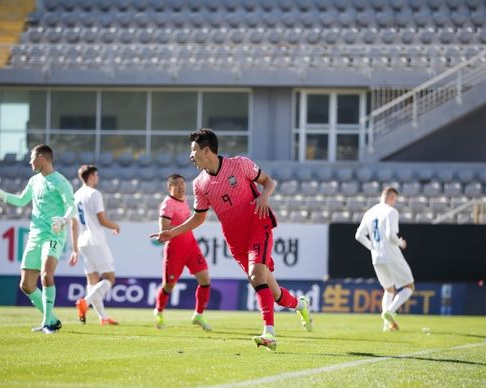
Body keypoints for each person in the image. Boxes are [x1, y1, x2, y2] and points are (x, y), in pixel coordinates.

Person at [150, 128, 312, 351]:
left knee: (256, 276)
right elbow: (199, 218)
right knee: (275, 294)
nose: (191, 155)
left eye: (193, 150)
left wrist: (264, 196)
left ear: (206, 150)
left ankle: (269, 334)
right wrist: (172, 232)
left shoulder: (240, 164)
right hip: (235, 240)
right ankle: (301, 305)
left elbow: (269, 182)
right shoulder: (199, 184)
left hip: (258, 225)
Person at [0, 144, 74, 334]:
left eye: (32, 158)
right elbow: (21, 200)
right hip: (35, 235)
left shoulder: (61, 181)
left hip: (54, 234)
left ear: (42, 157)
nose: (29, 161)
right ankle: (54, 320)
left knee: (47, 275)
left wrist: (64, 220)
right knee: (26, 285)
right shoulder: (34, 181)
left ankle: (47, 323)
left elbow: (71, 206)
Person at [154, 173, 212, 331]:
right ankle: (158, 312)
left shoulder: (184, 200)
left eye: (182, 184)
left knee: (205, 279)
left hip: (191, 247)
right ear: (169, 187)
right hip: (175, 251)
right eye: (177, 184)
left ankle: (198, 315)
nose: (181, 187)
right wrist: (163, 232)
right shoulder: (168, 204)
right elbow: (164, 228)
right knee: (168, 286)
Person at [355, 187, 415, 331]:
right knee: (409, 287)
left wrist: (372, 247)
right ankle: (389, 311)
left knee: (389, 290)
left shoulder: (369, 212)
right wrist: (401, 243)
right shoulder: (391, 211)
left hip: (376, 257)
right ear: (392, 197)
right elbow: (391, 236)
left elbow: (358, 235)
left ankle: (386, 325)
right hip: (392, 254)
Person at [68, 164, 120, 326]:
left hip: (83, 242)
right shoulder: (94, 194)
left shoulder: (75, 196)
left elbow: (73, 225)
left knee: (92, 282)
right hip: (95, 240)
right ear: (90, 177)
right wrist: (115, 226)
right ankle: (85, 302)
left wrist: (75, 249)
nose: (97, 178)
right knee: (109, 278)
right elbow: (102, 220)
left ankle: (103, 317)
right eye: (96, 175)